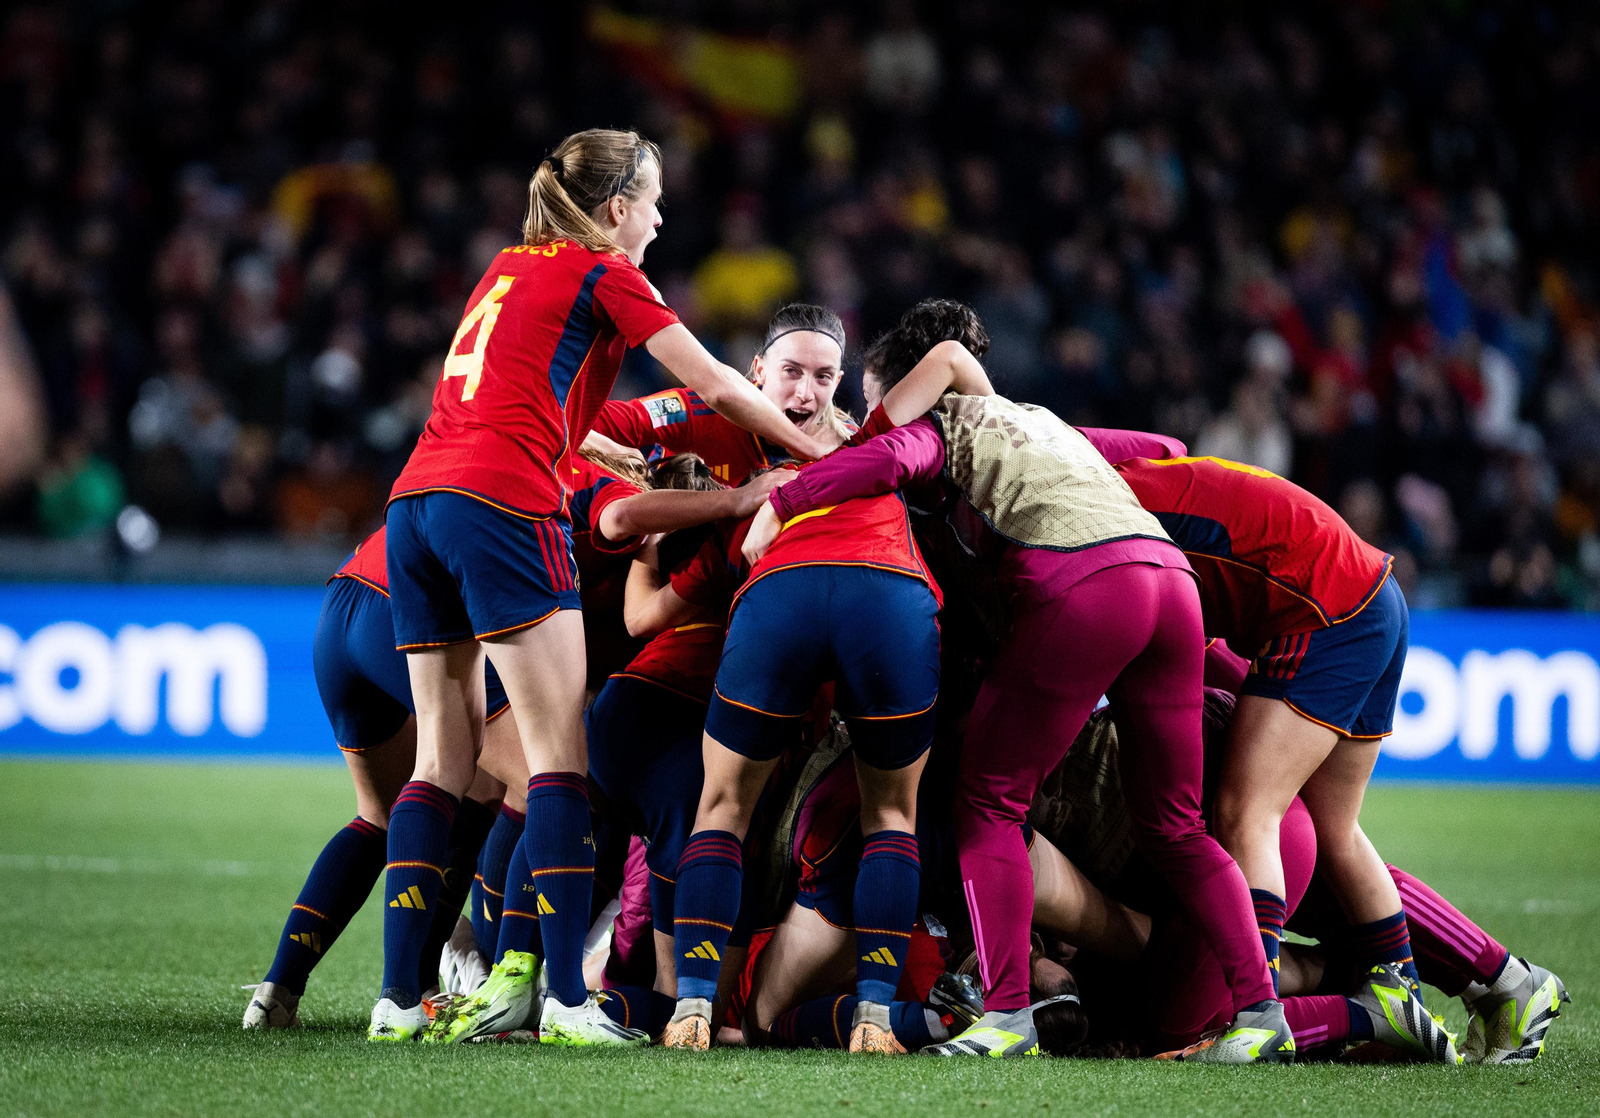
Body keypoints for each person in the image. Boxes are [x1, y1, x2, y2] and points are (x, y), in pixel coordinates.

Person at [371, 126, 834, 1044]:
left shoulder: (507, 266)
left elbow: (521, 398)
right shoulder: (604, 272)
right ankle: (568, 1006)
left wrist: (613, 447)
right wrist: (815, 458)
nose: (661, 218)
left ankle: (398, 1000)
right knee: (559, 762)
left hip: (415, 501)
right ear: (616, 209)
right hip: (502, 505)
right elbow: (716, 384)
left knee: (439, 761)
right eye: (653, 201)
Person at [759, 300, 1288, 1061]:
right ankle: (1261, 1013)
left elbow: (886, 459)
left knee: (986, 802)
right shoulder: (1041, 419)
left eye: (879, 402)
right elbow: (1161, 443)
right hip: (1168, 578)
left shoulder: (936, 430)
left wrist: (783, 500)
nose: (873, 419)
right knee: (1175, 826)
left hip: (1084, 582)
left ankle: (1007, 1015)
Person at [427, 454, 785, 1043]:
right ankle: (662, 1006)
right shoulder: (733, 548)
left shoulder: (654, 543)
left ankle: (508, 976)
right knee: (688, 950)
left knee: (557, 808)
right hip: (677, 720)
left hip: (619, 702)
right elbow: (641, 616)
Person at [1083, 432, 1432, 1016]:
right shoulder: (1130, 476)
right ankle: (1401, 995)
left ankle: (1258, 1010)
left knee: (1246, 812)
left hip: (1322, 608)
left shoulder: (1100, 521)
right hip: (1372, 593)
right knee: (1334, 829)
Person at [664, 451, 944, 1054]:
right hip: (889, 590)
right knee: (892, 818)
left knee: (721, 810)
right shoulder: (881, 461)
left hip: (782, 590)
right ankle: (873, 1017)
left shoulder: (764, 479)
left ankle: (691, 1010)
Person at [243, 526, 517, 1029]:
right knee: (509, 782)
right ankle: (419, 989)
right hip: (406, 610)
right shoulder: (563, 489)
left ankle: (278, 988)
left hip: (342, 605)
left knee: (379, 815)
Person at [593, 303, 856, 486]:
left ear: (837, 382)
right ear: (760, 370)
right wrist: (627, 462)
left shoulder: (852, 445)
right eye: (791, 371)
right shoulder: (697, 410)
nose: (805, 393)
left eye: (823, 377)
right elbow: (575, 423)